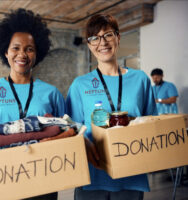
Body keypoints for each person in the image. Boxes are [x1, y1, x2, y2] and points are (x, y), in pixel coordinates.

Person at [0, 8, 65, 200]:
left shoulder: (51, 93)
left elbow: (65, 132)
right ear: (6, 52)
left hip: (43, 179)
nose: (22, 54)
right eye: (16, 48)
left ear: (37, 53)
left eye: (29, 48)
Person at [66, 14, 157, 200]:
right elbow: (71, 130)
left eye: (108, 35)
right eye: (94, 38)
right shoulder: (80, 85)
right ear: (89, 44)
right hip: (92, 175)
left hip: (131, 174)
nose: (102, 42)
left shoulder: (140, 80)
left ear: (118, 37)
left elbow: (152, 123)